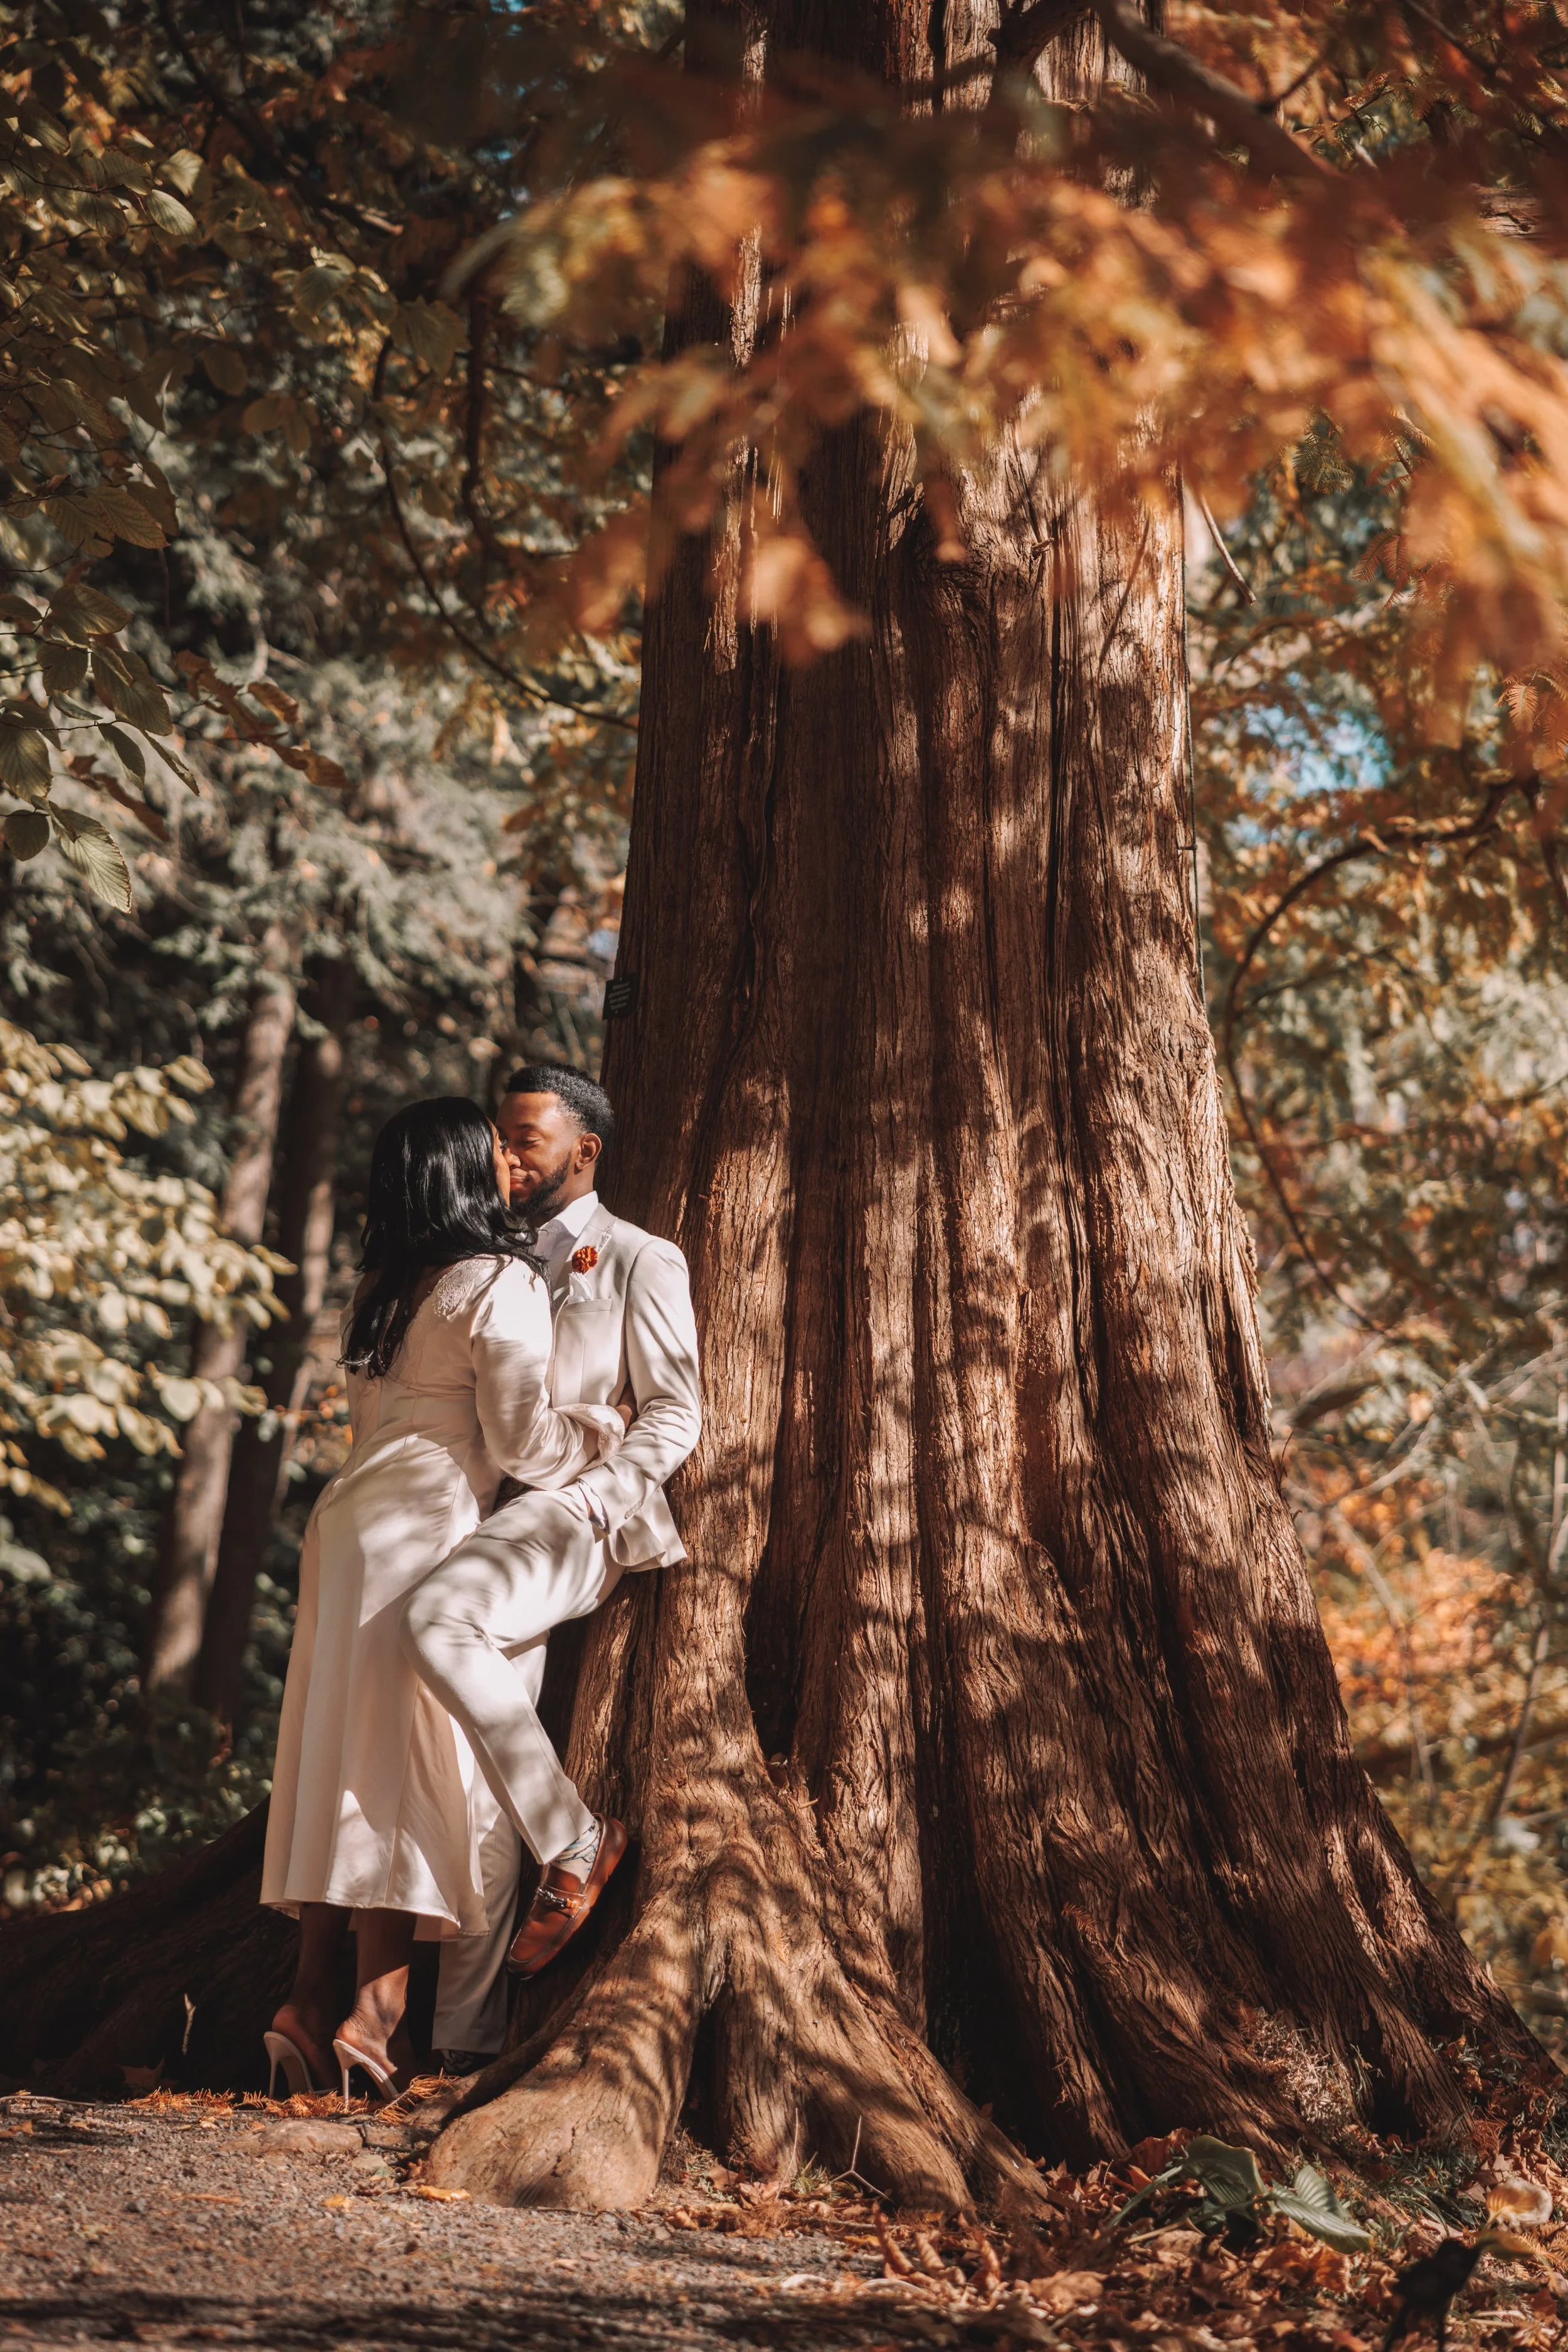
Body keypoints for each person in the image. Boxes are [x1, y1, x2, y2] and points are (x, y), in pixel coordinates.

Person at [258, 1096, 629, 2104]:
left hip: (344, 1525)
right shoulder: (498, 1281)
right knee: (397, 1768)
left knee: (340, 1754)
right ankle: (373, 2023)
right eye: (493, 1153)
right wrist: (599, 1429)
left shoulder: (380, 1288)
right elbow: (521, 1446)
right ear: (467, 1173)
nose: (511, 1164)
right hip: (422, 1526)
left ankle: (302, 2003)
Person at [406, 1063, 702, 2051]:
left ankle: (578, 1836)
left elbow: (674, 1413)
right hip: (476, 1521)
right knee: (479, 1773)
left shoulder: (639, 1257)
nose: (504, 1154)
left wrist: (593, 1496)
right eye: (499, 1136)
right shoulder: (485, 1257)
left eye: (525, 1137)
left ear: (585, 1151)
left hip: (572, 1515)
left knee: (438, 1622)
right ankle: (464, 2039)